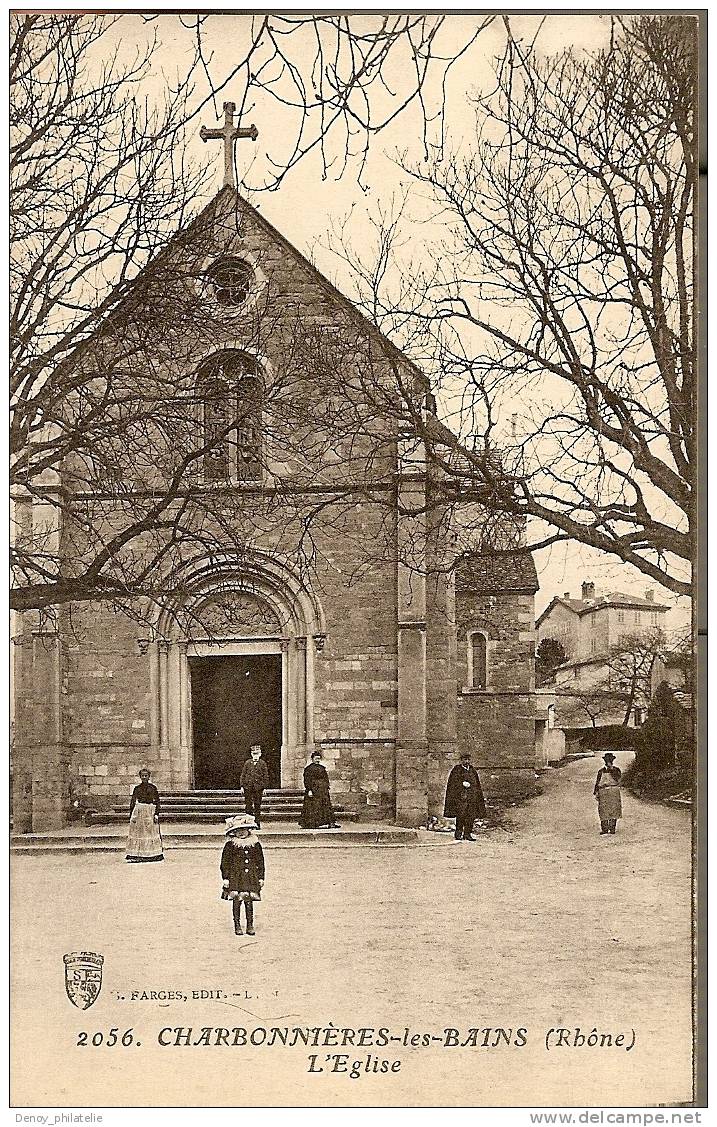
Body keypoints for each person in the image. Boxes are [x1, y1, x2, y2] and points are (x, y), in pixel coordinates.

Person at [220, 814, 265, 936]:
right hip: (236, 877)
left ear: (249, 830)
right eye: (237, 831)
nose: (241, 833)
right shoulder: (231, 845)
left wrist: (261, 877)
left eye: (243, 830)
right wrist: (226, 878)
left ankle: (250, 924)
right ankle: (237, 924)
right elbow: (225, 863)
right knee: (237, 900)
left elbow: (260, 862)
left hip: (251, 876)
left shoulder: (255, 844)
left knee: (249, 900)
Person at [443, 751, 487, 841]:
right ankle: (458, 833)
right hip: (461, 798)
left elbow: (476, 784)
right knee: (461, 816)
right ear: (461, 760)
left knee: (471, 816)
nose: (466, 761)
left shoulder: (472, 770)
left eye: (468, 759)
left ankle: (467, 834)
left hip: (471, 798)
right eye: (465, 759)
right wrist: (461, 784)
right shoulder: (457, 770)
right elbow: (453, 784)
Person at [126, 767, 164, 863]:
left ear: (149, 777)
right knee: (140, 833)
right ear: (140, 777)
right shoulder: (137, 788)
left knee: (150, 833)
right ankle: (139, 854)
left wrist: (156, 814)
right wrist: (132, 815)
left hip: (150, 811)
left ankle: (152, 854)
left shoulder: (153, 788)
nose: (144, 777)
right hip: (140, 812)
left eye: (146, 776)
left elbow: (157, 801)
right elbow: (133, 802)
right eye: (142, 776)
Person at [299, 750, 339, 829]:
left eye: (318, 758)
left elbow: (325, 778)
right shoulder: (308, 769)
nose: (317, 760)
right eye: (316, 758)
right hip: (313, 790)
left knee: (326, 806)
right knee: (313, 807)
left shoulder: (322, 768)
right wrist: (309, 790)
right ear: (312, 759)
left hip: (322, 790)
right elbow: (307, 780)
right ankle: (311, 823)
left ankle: (331, 823)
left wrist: (327, 786)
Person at [240, 745, 269, 829]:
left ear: (260, 754)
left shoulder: (262, 763)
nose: (255, 756)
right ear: (251, 754)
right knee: (248, 805)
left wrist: (264, 787)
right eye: (254, 754)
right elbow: (243, 774)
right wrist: (242, 786)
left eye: (257, 754)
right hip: (248, 787)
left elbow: (265, 776)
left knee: (257, 805)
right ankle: (249, 823)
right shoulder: (248, 763)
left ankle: (257, 823)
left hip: (258, 788)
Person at [593, 753, 622, 835]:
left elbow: (618, 778)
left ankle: (612, 828)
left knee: (614, 809)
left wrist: (612, 769)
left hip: (613, 790)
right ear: (604, 761)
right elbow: (597, 782)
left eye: (610, 760)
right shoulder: (601, 771)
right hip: (603, 791)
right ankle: (605, 829)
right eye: (607, 760)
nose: (608, 762)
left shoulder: (616, 770)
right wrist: (596, 792)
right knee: (603, 810)